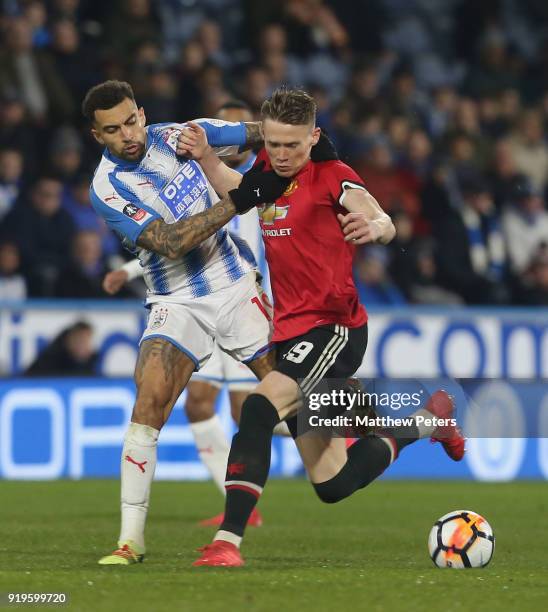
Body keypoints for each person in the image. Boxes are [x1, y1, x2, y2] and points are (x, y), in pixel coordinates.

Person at [176, 87, 465, 567]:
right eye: (274, 144)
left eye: (293, 144)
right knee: (333, 484)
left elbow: (374, 211)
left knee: (257, 410)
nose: (283, 155)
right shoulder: (266, 173)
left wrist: (378, 228)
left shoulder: (335, 177)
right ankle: (429, 421)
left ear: (314, 138)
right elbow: (238, 188)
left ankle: (227, 543)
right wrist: (206, 157)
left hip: (335, 331)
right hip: (289, 335)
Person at [83, 79, 291, 566]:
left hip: (237, 288)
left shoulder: (184, 135)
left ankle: (404, 427)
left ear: (142, 112)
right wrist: (240, 198)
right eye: (113, 130)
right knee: (149, 402)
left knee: (301, 406)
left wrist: (299, 143)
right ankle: (130, 541)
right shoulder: (106, 189)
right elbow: (171, 242)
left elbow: (261, 133)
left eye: (132, 120)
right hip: (175, 301)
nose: (128, 134)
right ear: (98, 136)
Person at [24, 320, 97, 376]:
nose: (84, 346)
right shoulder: (49, 362)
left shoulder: (91, 363)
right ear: (69, 341)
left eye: (86, 342)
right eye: (80, 341)